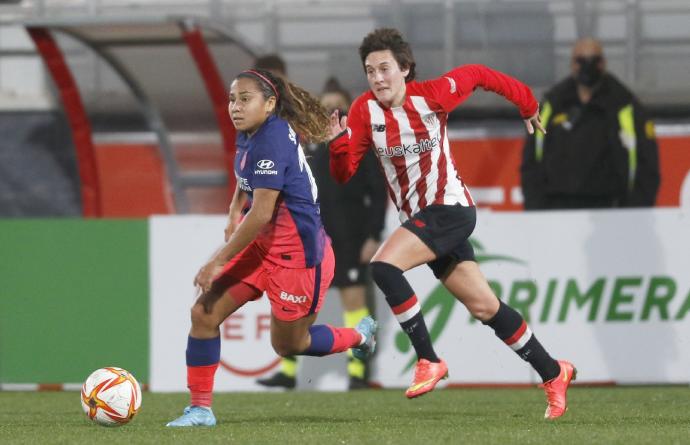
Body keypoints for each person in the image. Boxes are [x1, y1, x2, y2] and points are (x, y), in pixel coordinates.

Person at [328, 28, 575, 419]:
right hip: (423, 222)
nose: (377, 78)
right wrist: (339, 143)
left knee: (383, 266)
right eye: (370, 70)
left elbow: (479, 74)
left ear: (405, 68)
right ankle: (553, 371)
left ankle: (428, 360)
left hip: (451, 209)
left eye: (385, 68)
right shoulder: (363, 111)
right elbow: (343, 174)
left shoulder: (433, 94)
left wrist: (527, 104)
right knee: (485, 307)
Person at [166, 68, 377, 427]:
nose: (235, 106)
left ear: (269, 103)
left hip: (301, 258)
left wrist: (216, 261)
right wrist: (234, 207)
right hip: (264, 249)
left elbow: (262, 212)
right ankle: (200, 409)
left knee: (289, 345)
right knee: (203, 314)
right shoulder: (251, 132)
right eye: (232, 99)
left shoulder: (273, 139)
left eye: (245, 99)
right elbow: (247, 180)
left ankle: (359, 335)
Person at [257, 78, 388, 390]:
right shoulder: (306, 144)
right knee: (293, 304)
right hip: (309, 237)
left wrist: (373, 235)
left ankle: (358, 374)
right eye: (325, 106)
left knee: (353, 299)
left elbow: (378, 192)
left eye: (336, 107)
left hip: (349, 235)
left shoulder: (358, 143)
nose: (330, 111)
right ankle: (288, 372)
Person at [521, 37, 660, 209]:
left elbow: (647, 168)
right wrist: (536, 210)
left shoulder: (624, 106)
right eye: (581, 61)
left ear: (604, 63)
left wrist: (634, 214)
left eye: (594, 60)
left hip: (611, 210)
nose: (588, 66)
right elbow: (531, 164)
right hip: (556, 211)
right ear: (572, 64)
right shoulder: (552, 105)